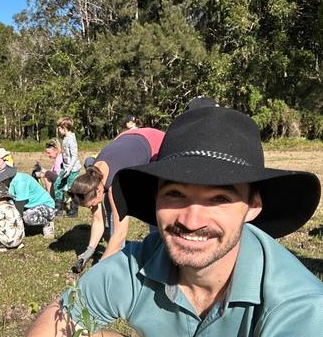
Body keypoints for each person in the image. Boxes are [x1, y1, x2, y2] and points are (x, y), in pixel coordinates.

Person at [27, 106, 323, 336]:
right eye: (175, 194)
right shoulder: (141, 261)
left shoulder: (300, 306)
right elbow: (61, 316)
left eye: (219, 198)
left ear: (253, 206)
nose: (192, 220)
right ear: (155, 199)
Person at [69, 124, 165, 273]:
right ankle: (117, 257)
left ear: (99, 190)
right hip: (127, 139)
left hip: (155, 144)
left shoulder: (116, 183)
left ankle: (159, 251)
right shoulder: (93, 176)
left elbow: (121, 233)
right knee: (109, 205)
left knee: (155, 204)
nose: (90, 208)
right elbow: (99, 221)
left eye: (90, 205)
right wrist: (89, 251)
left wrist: (98, 269)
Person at [0, 158, 56, 239]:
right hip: (28, 207)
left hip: (46, 207)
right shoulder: (5, 183)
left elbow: (19, 209)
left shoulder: (20, 181)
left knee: (27, 217)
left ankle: (47, 224)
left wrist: (15, 231)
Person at [53, 117, 81, 217]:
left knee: (71, 188)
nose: (58, 130)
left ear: (64, 127)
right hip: (65, 168)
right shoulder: (65, 139)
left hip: (72, 169)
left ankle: (74, 211)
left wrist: (69, 169)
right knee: (57, 184)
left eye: (59, 128)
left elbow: (74, 156)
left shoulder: (71, 140)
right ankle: (58, 208)